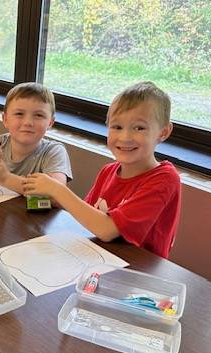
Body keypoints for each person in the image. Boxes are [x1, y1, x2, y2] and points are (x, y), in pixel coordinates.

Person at [22, 81, 181, 258]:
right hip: (98, 259)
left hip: (138, 272)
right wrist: (51, 196)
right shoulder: (108, 171)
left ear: (163, 132)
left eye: (139, 128)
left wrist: (57, 189)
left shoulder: (165, 178)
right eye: (117, 127)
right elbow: (86, 217)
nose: (125, 137)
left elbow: (107, 230)